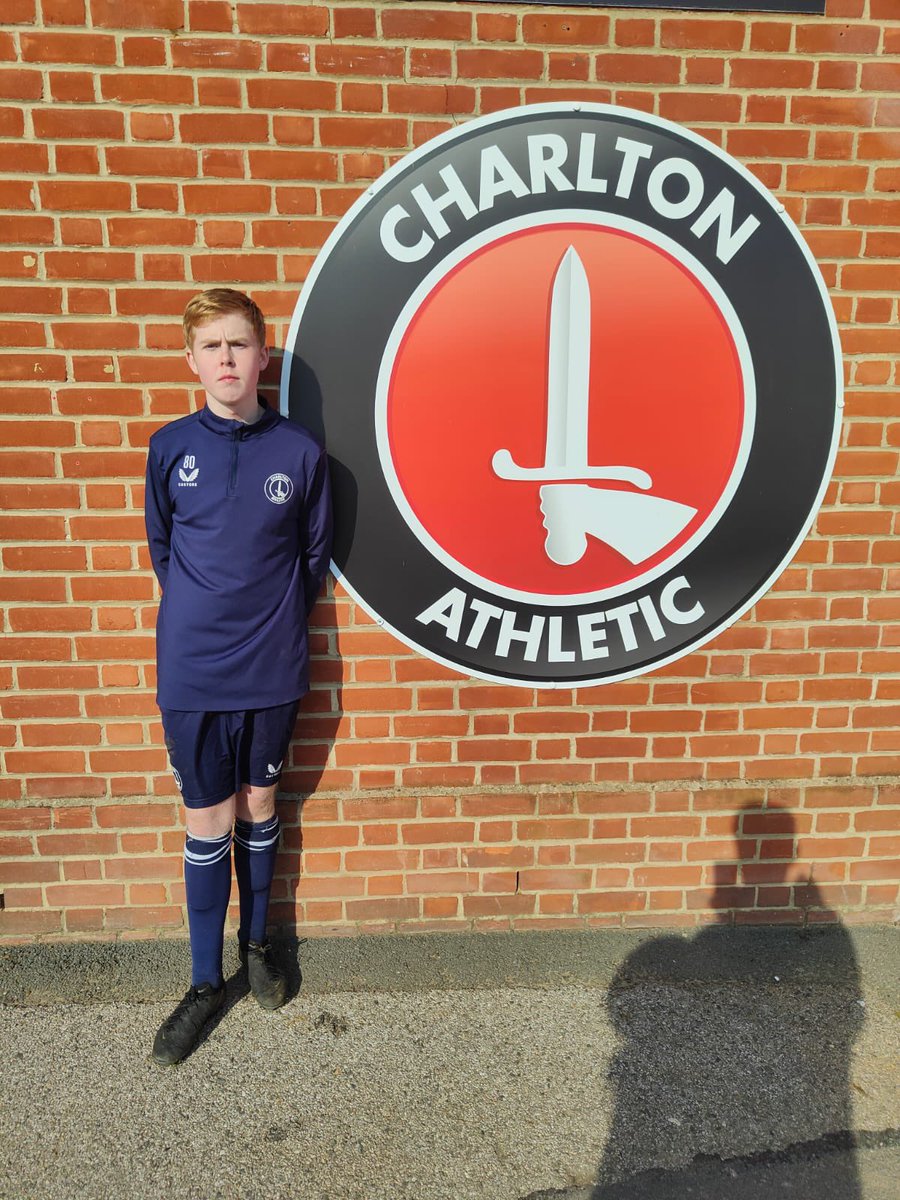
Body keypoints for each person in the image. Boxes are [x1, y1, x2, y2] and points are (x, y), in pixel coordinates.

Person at [143, 288, 332, 1066]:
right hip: (192, 669)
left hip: (273, 664)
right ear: (192, 361)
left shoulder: (301, 453)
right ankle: (199, 983)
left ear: (263, 358)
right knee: (206, 818)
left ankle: (258, 945)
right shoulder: (168, 447)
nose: (225, 358)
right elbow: (162, 548)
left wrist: (268, 621)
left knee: (260, 799)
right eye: (211, 346)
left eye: (238, 344)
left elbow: (311, 560)